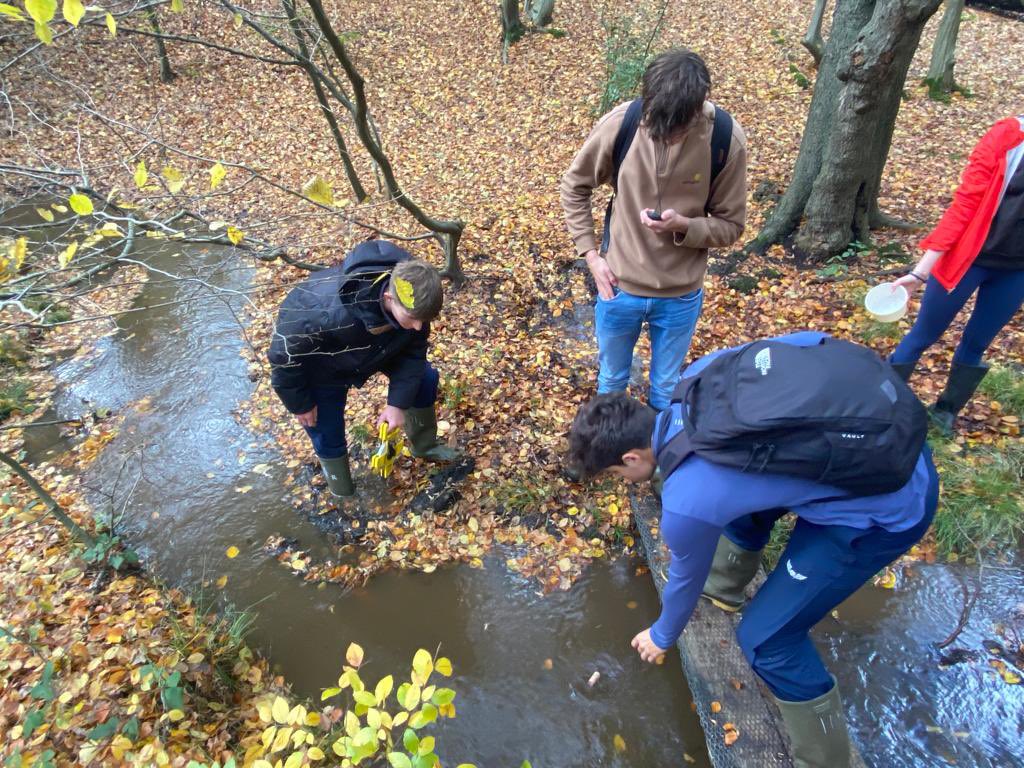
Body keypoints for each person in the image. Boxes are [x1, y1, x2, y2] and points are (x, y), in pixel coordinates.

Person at [568, 332, 939, 768]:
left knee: (766, 641)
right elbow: (808, 344)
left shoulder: (688, 501)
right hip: (891, 449)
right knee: (743, 503)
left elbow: (683, 583)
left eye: (615, 474)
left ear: (632, 458)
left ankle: (827, 761)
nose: (622, 481)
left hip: (884, 510)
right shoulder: (702, 377)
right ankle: (725, 587)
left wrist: (661, 635)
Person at [560, 48, 747, 411]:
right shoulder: (623, 123)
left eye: (679, 128)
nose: (669, 136)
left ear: (699, 105)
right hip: (618, 288)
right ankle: (613, 454)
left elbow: (731, 226)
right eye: (661, 126)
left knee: (665, 387)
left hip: (680, 296)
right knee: (612, 380)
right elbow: (574, 185)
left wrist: (686, 226)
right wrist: (591, 255)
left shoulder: (725, 139)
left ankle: (661, 460)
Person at [267, 239, 459, 500]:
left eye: (422, 321)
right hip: (323, 368)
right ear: (389, 297)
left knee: (425, 378)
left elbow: (413, 355)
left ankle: (424, 446)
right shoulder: (320, 310)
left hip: (378, 349)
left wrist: (397, 404)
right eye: (412, 319)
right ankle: (342, 490)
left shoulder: (414, 301)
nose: (418, 327)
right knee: (323, 425)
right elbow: (283, 358)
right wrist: (299, 403)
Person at [889, 115, 1024, 434]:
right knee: (924, 334)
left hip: (1016, 271)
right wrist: (920, 274)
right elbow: (964, 206)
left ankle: (946, 411)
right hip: (968, 259)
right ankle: (883, 402)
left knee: (977, 342)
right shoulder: (1007, 137)